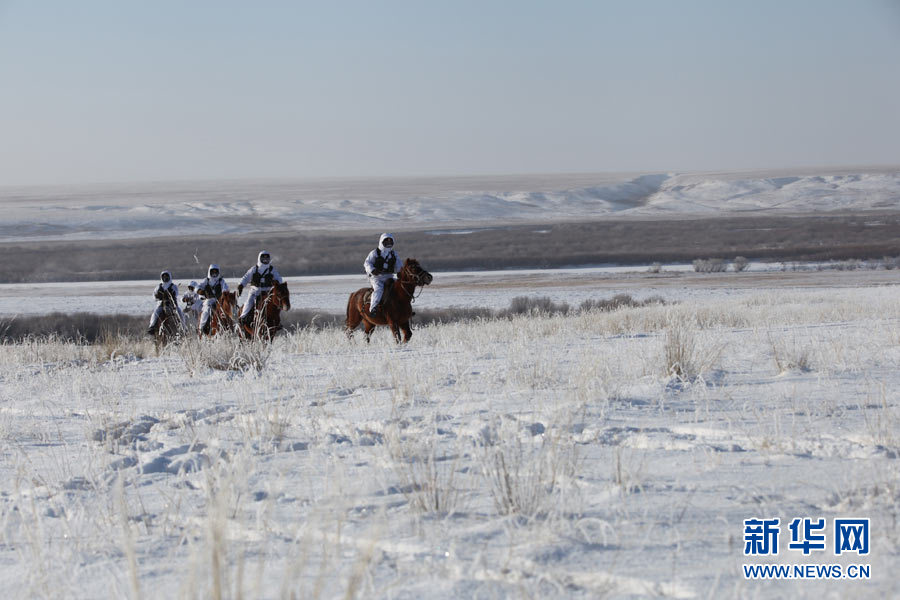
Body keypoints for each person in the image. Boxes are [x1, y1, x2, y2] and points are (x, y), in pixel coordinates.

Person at [237, 251, 283, 328]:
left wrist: (277, 282)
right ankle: (243, 318)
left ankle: (277, 321)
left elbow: (279, 278)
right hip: (255, 291)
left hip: (268, 292)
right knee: (248, 303)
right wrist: (241, 285)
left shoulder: (272, 270)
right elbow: (246, 278)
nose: (265, 260)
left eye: (267, 259)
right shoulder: (254, 269)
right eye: (263, 258)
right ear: (259, 258)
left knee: (276, 305)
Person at [364, 233, 400, 317]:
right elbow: (367, 263)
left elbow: (399, 265)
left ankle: (404, 308)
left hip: (389, 276)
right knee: (379, 289)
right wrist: (372, 270)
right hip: (377, 277)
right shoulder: (374, 253)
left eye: (390, 241)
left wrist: (400, 272)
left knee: (401, 287)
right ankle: (373, 308)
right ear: (382, 242)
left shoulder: (394, 254)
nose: (388, 243)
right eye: (386, 241)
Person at [147, 270, 185, 335]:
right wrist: (158, 296)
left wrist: (170, 294)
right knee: (155, 313)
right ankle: (152, 326)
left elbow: (176, 294)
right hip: (161, 305)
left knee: (180, 313)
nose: (165, 278)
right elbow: (154, 296)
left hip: (172, 305)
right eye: (163, 277)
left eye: (166, 276)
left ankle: (183, 327)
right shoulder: (158, 287)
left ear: (169, 277)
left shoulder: (173, 286)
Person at [196, 264, 229, 334]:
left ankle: (230, 328)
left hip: (219, 302)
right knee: (206, 312)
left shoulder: (221, 281)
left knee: (227, 312)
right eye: (212, 272)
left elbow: (225, 288)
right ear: (209, 272)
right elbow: (197, 287)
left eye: (215, 272)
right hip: (209, 301)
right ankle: (201, 329)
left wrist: (224, 292)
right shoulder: (206, 280)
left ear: (218, 272)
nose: (214, 274)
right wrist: (200, 291)